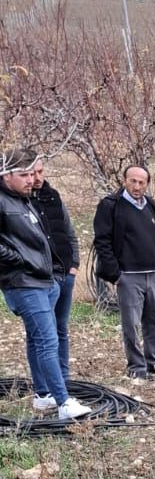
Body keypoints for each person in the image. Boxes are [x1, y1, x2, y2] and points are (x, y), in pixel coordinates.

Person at [0, 147, 91, 421]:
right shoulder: (4, 202)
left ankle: (43, 396)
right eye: (24, 175)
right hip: (23, 283)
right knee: (48, 340)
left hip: (43, 280)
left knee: (38, 338)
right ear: (6, 175)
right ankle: (64, 403)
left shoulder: (22, 198)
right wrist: (20, 260)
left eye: (33, 173)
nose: (31, 180)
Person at [92, 164, 155, 382]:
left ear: (147, 184)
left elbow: (154, 237)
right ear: (124, 181)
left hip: (153, 275)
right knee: (131, 324)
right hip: (129, 276)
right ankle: (136, 365)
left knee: (154, 321)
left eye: (142, 182)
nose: (137, 186)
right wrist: (116, 274)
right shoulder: (110, 206)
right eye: (133, 181)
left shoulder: (149, 204)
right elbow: (102, 241)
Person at [29, 157, 79, 384]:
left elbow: (69, 233)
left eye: (40, 171)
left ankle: (63, 379)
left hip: (64, 274)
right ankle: (45, 387)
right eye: (32, 173)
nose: (38, 178)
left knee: (60, 329)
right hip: (40, 278)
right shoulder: (17, 202)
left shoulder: (53, 196)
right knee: (40, 334)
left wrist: (74, 265)